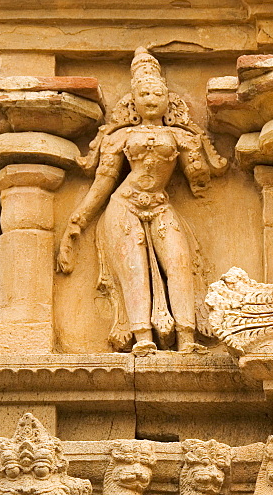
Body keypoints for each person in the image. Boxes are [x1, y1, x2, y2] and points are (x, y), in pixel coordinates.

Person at [56, 47, 227, 355]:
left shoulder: (179, 136)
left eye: (157, 94)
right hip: (124, 205)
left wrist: (196, 153)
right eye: (144, 94)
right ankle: (142, 335)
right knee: (134, 268)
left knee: (179, 263)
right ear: (133, 100)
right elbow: (103, 184)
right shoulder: (119, 137)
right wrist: (77, 221)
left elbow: (197, 181)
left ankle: (186, 337)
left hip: (160, 203)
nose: (151, 99)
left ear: (168, 100)